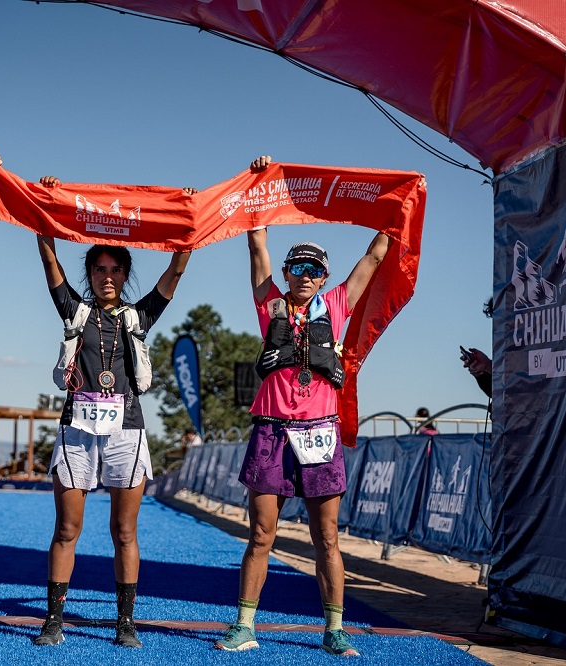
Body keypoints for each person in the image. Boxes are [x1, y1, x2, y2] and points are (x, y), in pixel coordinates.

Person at [215, 155, 390, 657]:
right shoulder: (270, 303)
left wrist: (395, 206)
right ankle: (244, 625)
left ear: (324, 276)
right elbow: (256, 244)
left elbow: (375, 255)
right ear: (289, 272)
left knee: (326, 537)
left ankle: (334, 629)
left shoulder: (335, 305)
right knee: (261, 534)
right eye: (298, 268)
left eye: (315, 270)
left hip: (319, 432)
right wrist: (260, 184)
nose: (305, 276)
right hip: (271, 430)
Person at [31, 175, 193, 649]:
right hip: (77, 429)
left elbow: (175, 272)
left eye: (115, 269)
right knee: (67, 528)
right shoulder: (74, 310)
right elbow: (48, 257)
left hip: (127, 430)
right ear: (89, 274)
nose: (107, 276)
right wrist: (46, 206)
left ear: (125, 275)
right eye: (99, 269)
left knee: (124, 530)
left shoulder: (138, 316)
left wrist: (189, 219)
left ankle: (126, 622)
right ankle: (54, 620)